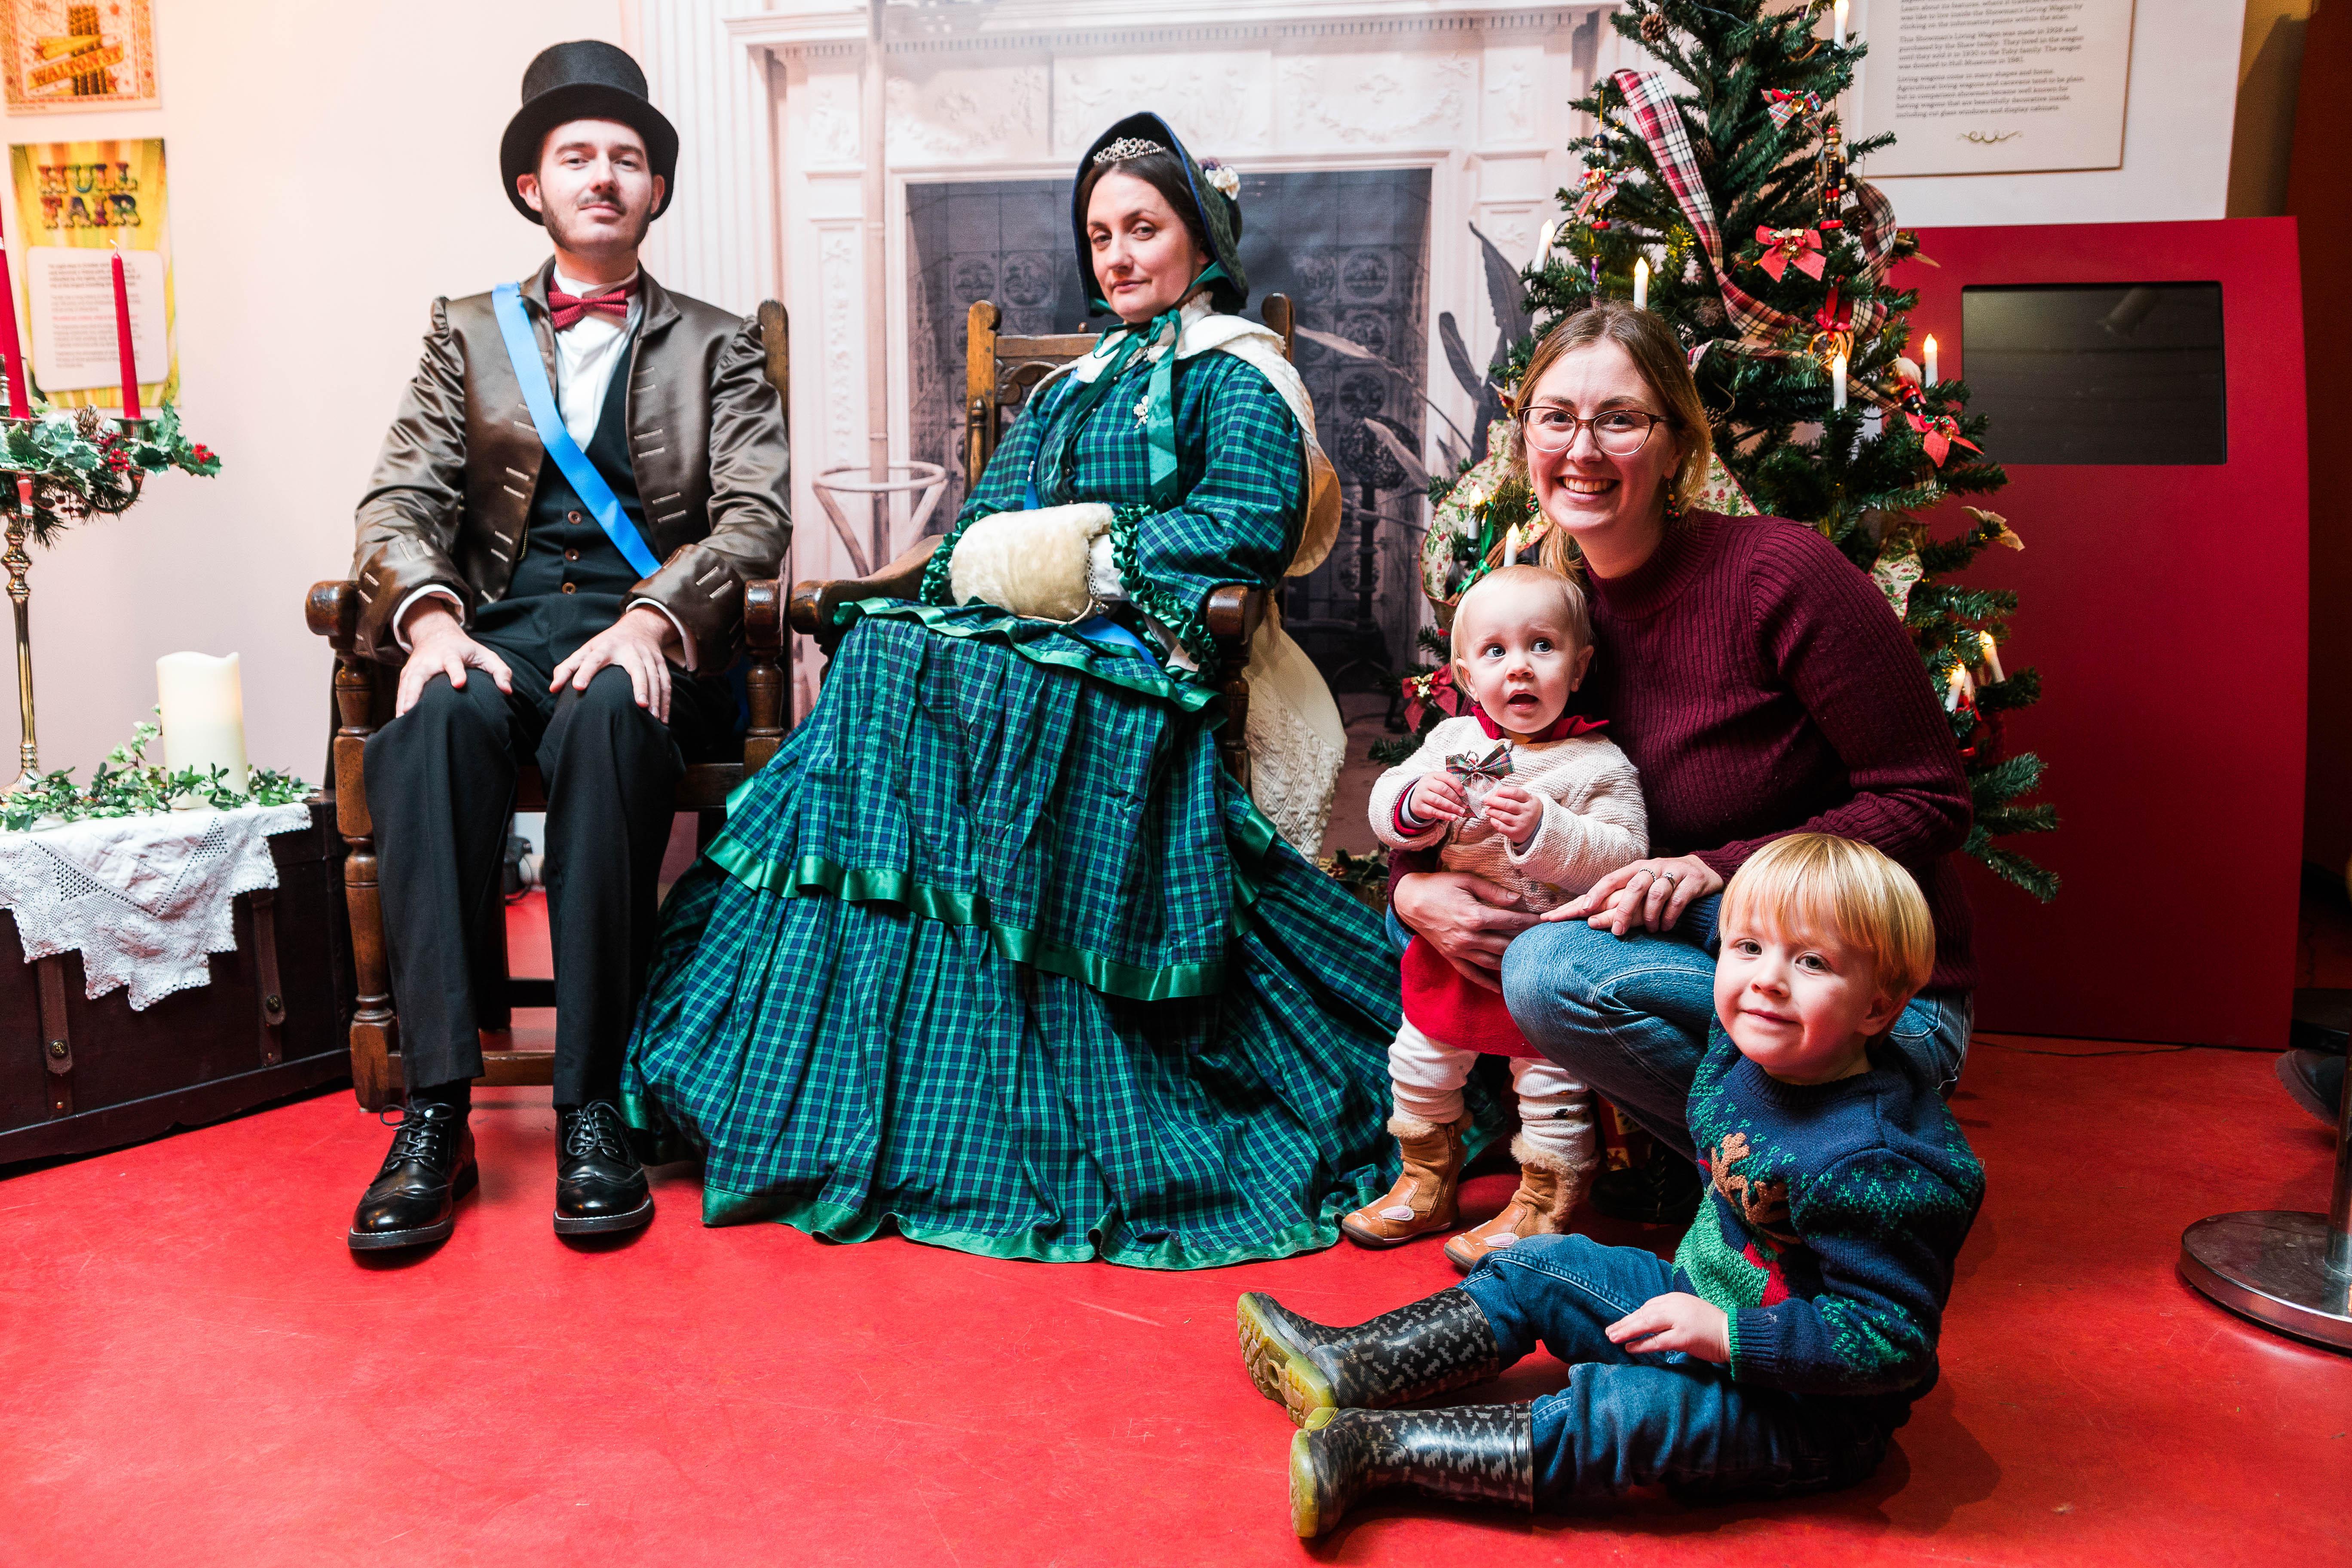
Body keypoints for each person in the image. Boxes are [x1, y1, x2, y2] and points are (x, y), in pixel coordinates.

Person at [619, 112, 1399, 1268]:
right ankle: (860, 1076)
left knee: (987, 687)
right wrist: (946, 580)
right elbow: (981, 534)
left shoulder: (1238, 376)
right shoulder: (1071, 390)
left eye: (1145, 228)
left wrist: (1080, 557)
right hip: (1027, 643)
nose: (1121, 256)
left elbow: (1244, 524)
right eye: (1101, 236)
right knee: (890, 654)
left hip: (1150, 653)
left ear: (1200, 238)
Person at [343, 40, 790, 1251]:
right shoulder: (464, 333)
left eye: (629, 158)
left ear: (656, 190)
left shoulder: (720, 343)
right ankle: (436, 1111)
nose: (605, 176)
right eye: (577, 156)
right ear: (533, 186)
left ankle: (595, 1102)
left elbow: (756, 514)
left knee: (608, 717)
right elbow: (400, 500)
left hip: (655, 642)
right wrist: (431, 622)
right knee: (430, 724)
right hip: (497, 628)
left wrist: (658, 617)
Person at [1390, 301, 1975, 1223]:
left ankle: (1830, 1170)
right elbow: (1471, 766)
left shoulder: (1780, 575)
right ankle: (1785, 1179)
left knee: (1546, 971)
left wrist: (1712, 868)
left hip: (1860, 994)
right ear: (1524, 441)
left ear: (1679, 446)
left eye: (1620, 419)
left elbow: (1930, 799)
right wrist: (1408, 888)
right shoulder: (1553, 621)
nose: (1581, 449)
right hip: (1706, 966)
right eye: (1556, 418)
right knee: (1470, 932)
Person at [1238, 833, 1985, 1535]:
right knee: (1541, 1265)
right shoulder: (1748, 1042)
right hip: (1700, 1304)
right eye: (1749, 948)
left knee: (1624, 1416)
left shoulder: (1878, 1163)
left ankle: (1377, 1452)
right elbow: (1694, 921)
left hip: (1810, 1409)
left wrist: (1730, 1337)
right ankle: (1352, 1364)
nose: (1766, 981)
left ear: (1882, 1006)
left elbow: (1892, 1343)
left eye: (1813, 963)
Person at [1348, 565, 1646, 1264]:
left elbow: (1624, 852)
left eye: (1543, 647)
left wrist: (1549, 829)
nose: (1519, 669)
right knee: (1419, 1064)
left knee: (1549, 1085)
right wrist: (1414, 806)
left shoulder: (1599, 764)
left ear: (1580, 667)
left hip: (1550, 960)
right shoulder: (1451, 743)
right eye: (1495, 653)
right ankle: (1425, 1181)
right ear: (1462, 673)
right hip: (1455, 955)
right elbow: (1386, 804)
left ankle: (1545, 1200)